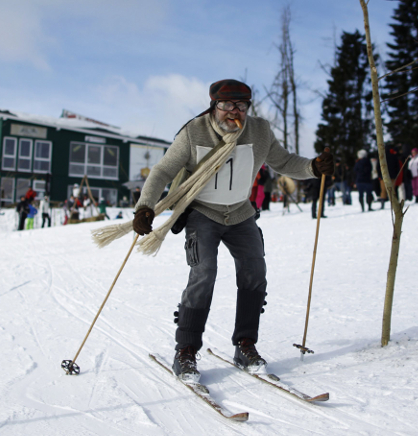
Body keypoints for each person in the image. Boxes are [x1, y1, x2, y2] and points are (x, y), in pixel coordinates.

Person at [131, 79, 333, 383]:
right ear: (214, 106)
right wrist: (145, 206)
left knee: (254, 271)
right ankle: (185, 350)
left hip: (240, 212)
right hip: (202, 212)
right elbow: (162, 170)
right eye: (226, 105)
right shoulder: (194, 132)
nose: (233, 112)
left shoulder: (259, 131)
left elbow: (284, 161)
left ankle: (245, 344)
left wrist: (313, 168)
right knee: (205, 272)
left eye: (241, 105)